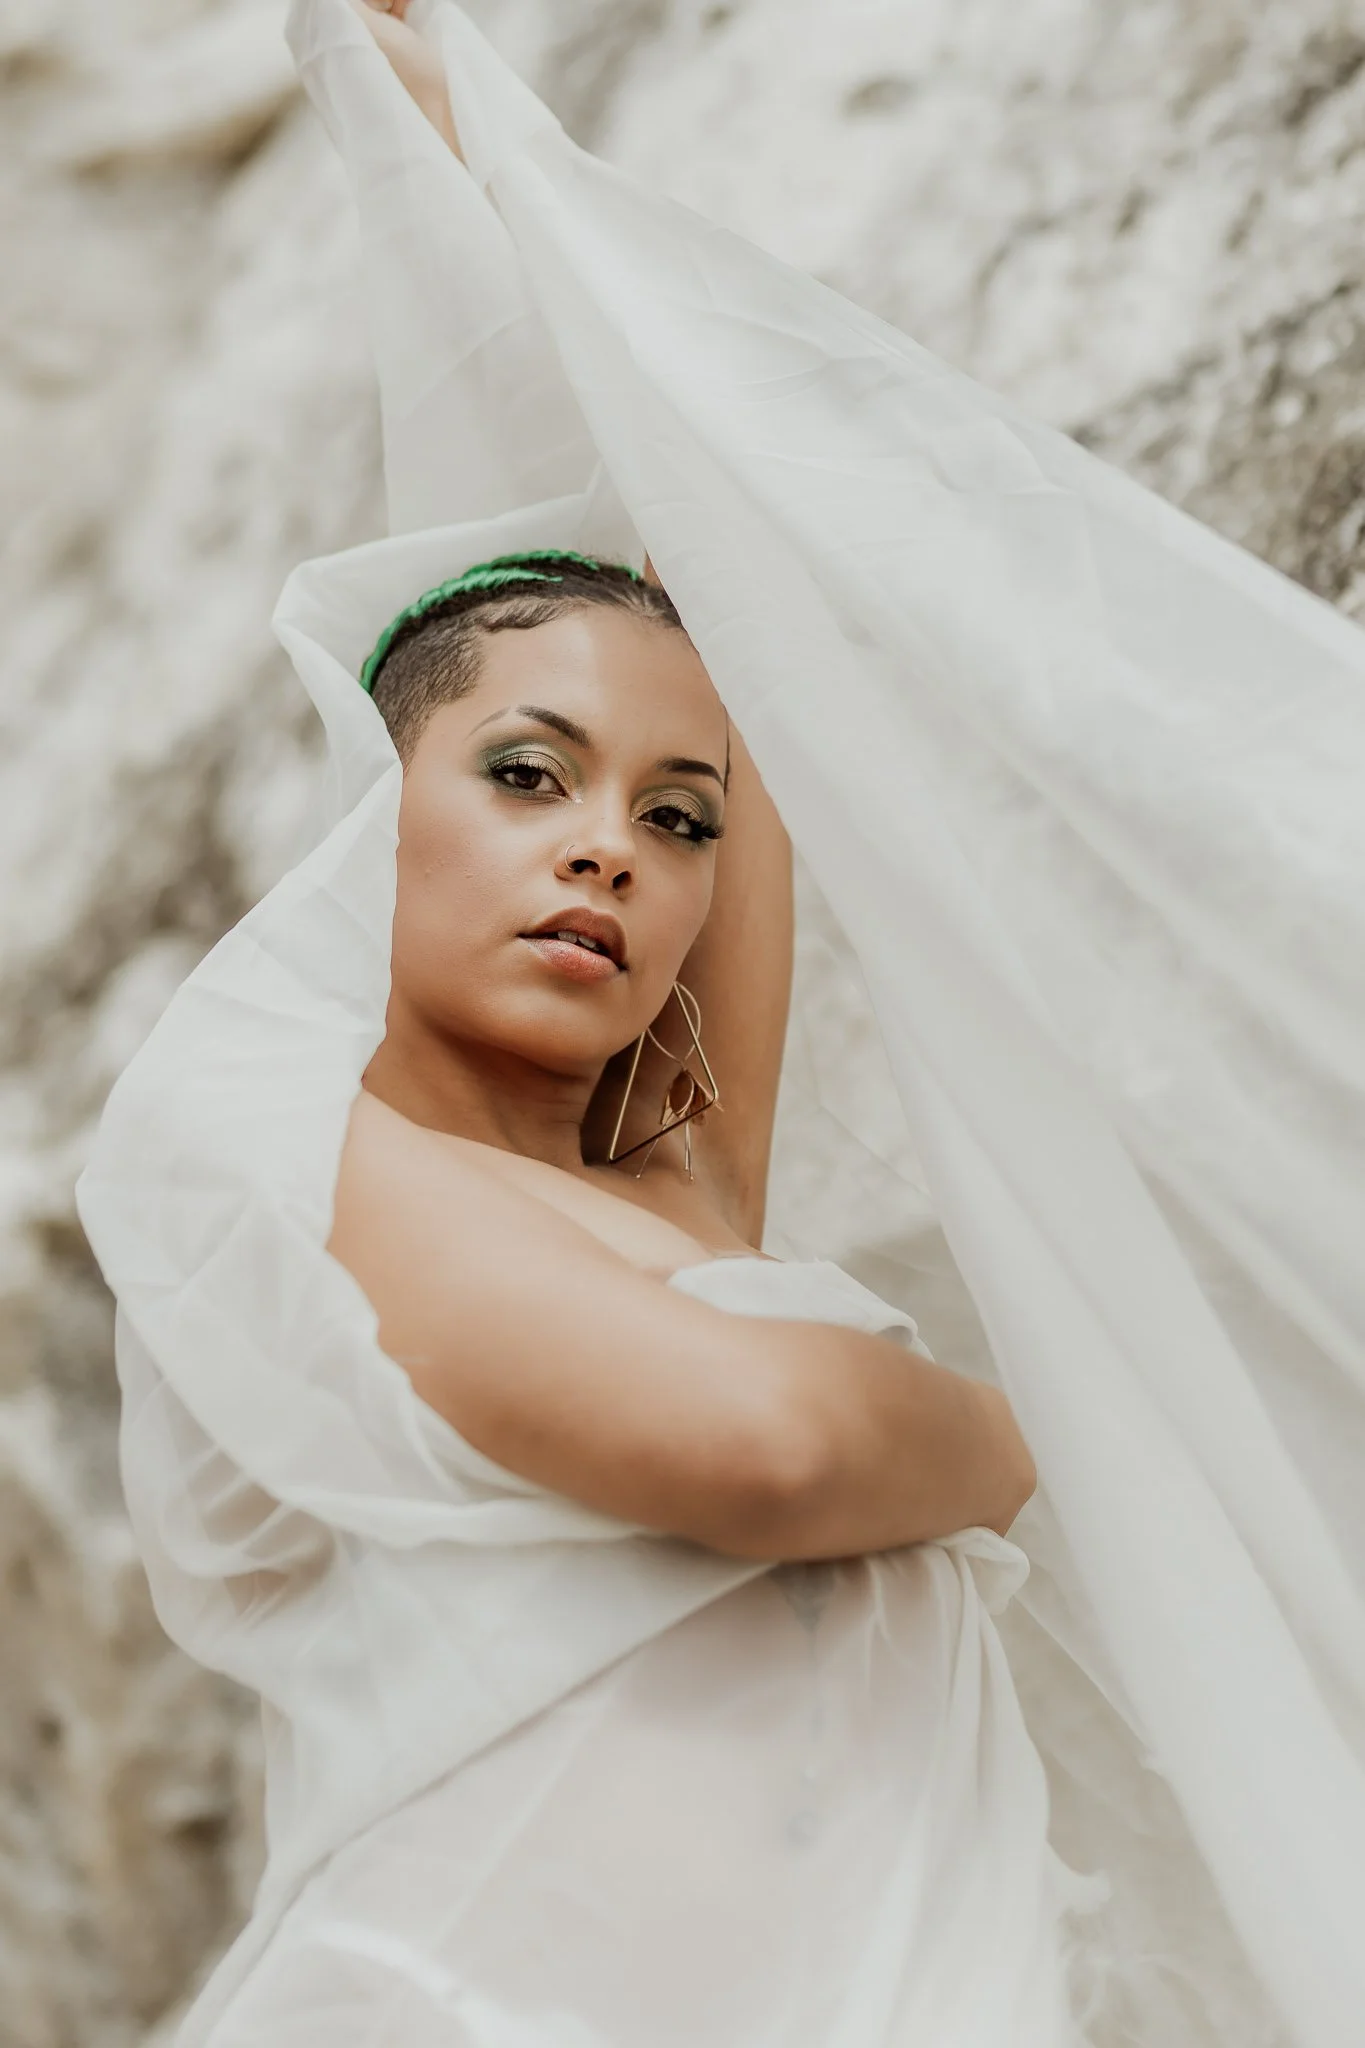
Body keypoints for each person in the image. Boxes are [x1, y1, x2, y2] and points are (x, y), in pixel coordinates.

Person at [76, 1, 1365, 2043]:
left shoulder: (677, 1198)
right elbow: (769, 1440)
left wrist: (470, 177)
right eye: (524, 778)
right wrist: (1084, 1443)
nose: (611, 851)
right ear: (370, 821)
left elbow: (710, 599)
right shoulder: (296, 1159)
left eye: (670, 824)